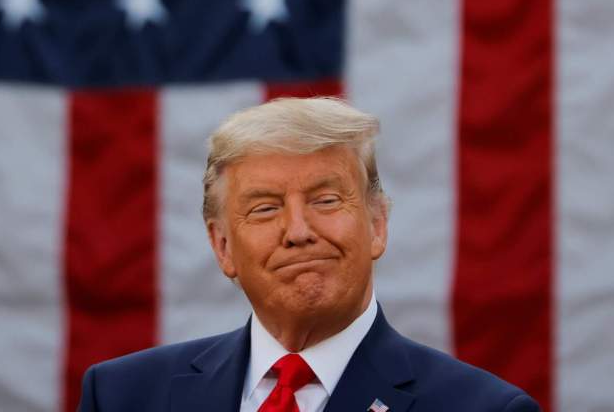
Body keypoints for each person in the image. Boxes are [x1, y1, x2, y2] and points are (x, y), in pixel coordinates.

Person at [77, 96, 539, 412]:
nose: (298, 232)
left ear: (377, 225)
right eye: (264, 208)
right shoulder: (122, 396)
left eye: (325, 200)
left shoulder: (483, 408)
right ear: (222, 246)